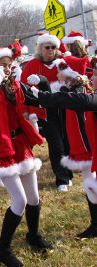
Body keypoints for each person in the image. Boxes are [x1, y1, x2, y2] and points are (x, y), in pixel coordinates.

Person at [0, 46, 52, 267]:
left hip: (20, 145)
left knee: (34, 198)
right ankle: (3, 249)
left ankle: (33, 235)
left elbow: (40, 99)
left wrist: (45, 83)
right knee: (18, 201)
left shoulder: (14, 85)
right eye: (3, 65)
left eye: (10, 65)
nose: (8, 69)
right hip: (2, 148)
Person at [25, 57, 97, 238]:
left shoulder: (83, 93)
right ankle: (95, 224)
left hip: (90, 147)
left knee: (92, 185)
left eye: (95, 75)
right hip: (83, 148)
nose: (92, 77)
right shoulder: (69, 91)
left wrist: (44, 96)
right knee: (90, 185)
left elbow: (79, 100)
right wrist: (40, 86)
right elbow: (56, 98)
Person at [21, 33, 72, 192]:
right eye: (47, 47)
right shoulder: (32, 65)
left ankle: (67, 173)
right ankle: (61, 179)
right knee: (56, 144)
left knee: (66, 142)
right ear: (40, 48)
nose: (50, 50)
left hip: (62, 108)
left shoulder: (62, 64)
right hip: (42, 111)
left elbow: (71, 83)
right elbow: (23, 90)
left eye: (53, 47)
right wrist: (27, 111)